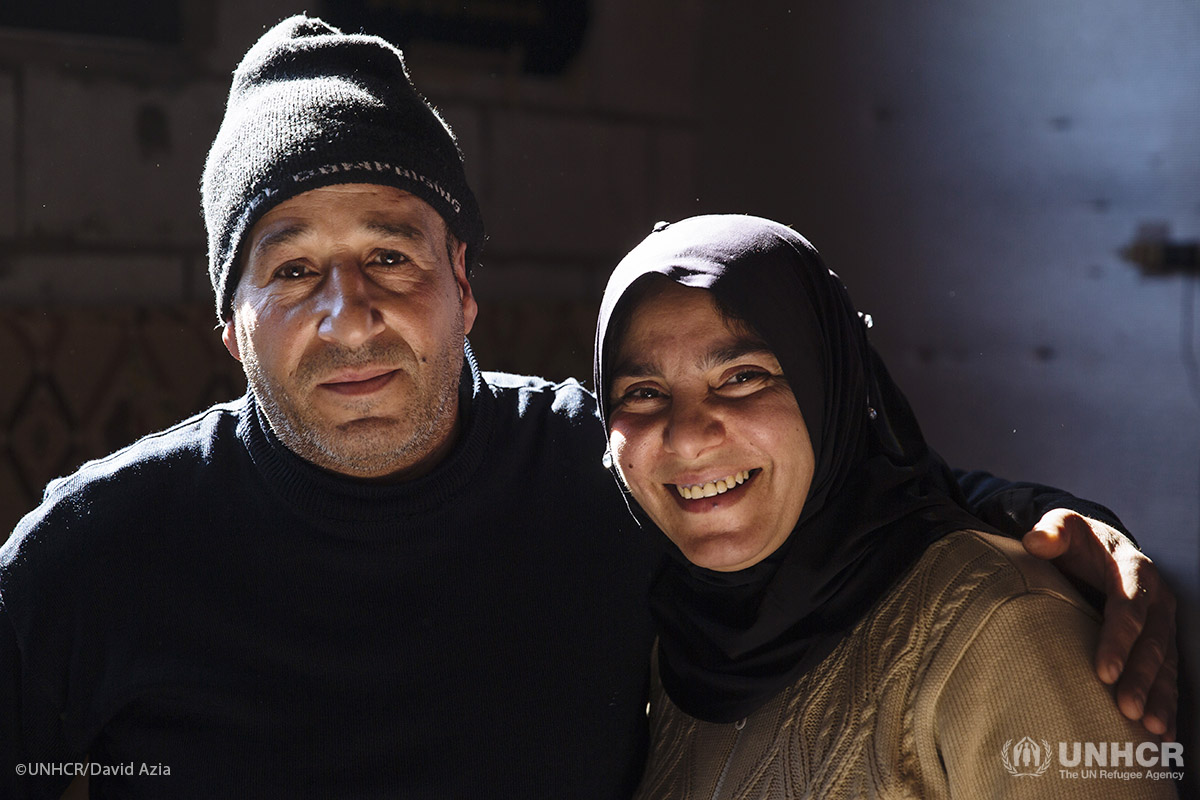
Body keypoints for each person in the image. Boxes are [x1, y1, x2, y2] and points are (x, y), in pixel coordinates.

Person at [0, 15, 1176, 800]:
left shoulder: (597, 469)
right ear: (229, 323)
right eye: (291, 267)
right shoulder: (95, 554)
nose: (346, 313)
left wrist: (1048, 515)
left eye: (393, 257)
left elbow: (833, 481)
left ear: (465, 285)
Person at [594, 214, 1179, 798]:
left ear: (834, 391)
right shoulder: (671, 638)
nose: (688, 437)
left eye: (743, 376)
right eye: (643, 393)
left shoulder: (1003, 626)